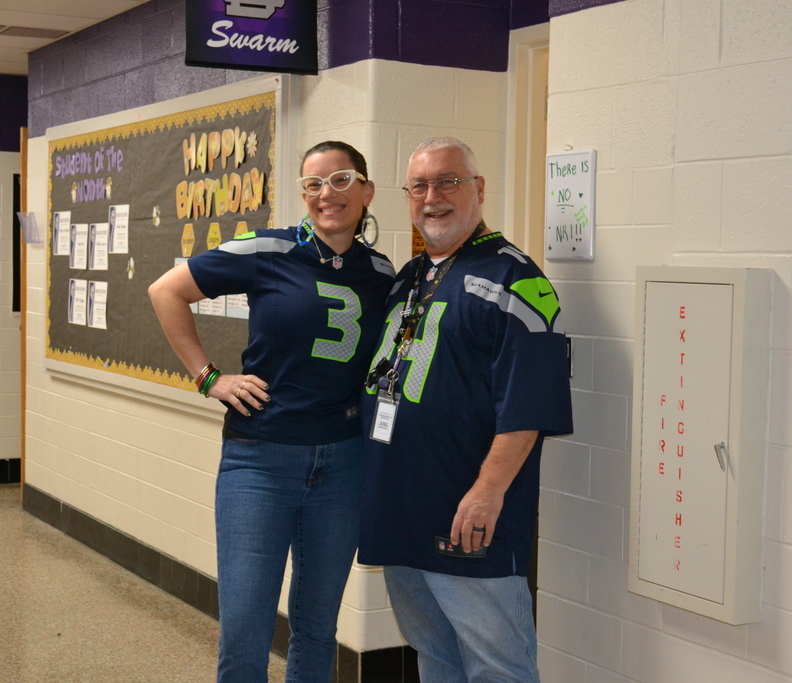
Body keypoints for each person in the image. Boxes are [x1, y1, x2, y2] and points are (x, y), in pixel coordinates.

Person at [149, 141, 395, 683]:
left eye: (341, 180)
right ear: (303, 194)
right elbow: (166, 291)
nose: (326, 194)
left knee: (316, 627)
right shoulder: (268, 248)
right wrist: (208, 377)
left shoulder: (380, 271)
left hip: (343, 462)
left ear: (367, 191)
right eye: (313, 184)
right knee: (246, 626)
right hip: (259, 459)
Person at [359, 137, 573, 682]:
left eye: (448, 181)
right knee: (435, 657)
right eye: (420, 186)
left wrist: (487, 491)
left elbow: (529, 406)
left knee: (497, 668)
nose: (433, 197)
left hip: (468, 519)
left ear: (478, 189)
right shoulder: (410, 278)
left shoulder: (515, 281)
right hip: (401, 513)